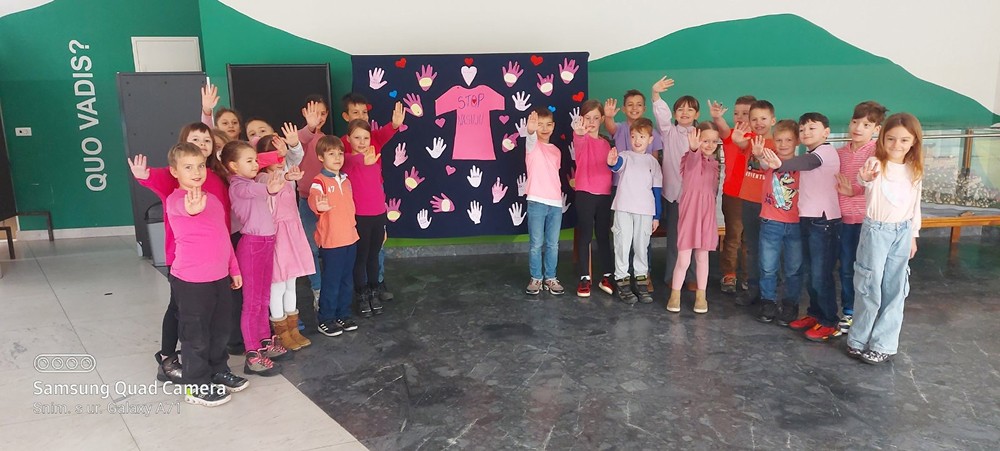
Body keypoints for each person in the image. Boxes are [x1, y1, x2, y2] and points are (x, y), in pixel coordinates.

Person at [127, 122, 231, 384]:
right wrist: (143, 176)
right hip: (186, 264)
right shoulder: (175, 188)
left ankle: (215, 368)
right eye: (195, 140)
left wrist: (232, 265)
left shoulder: (213, 178)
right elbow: (175, 201)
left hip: (216, 263)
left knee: (215, 323)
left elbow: (220, 227)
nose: (201, 145)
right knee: (184, 316)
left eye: (207, 141)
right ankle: (169, 360)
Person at [163, 142, 246, 407]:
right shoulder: (176, 200)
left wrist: (233, 269)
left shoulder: (213, 200)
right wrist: (193, 208)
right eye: (188, 167)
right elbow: (185, 209)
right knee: (195, 337)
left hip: (219, 278)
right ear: (174, 171)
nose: (196, 172)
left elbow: (223, 238)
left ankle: (218, 370)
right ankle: (196, 385)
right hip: (191, 283)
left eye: (200, 166)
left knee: (220, 330)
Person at [846, 113, 923, 364]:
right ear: (882, 138)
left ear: (913, 141)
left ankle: (884, 344)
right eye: (891, 138)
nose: (896, 145)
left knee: (896, 288)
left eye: (904, 140)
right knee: (868, 284)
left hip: (902, 232)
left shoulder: (914, 169)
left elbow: (915, 205)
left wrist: (913, 235)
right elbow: (863, 179)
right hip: (876, 231)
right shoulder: (875, 163)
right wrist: (864, 178)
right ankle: (858, 339)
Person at [760, 113, 842, 341]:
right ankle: (815, 314)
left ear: (826, 132)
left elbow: (807, 163)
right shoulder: (809, 153)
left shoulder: (824, 153)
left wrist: (780, 165)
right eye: (803, 129)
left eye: (812, 128)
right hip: (807, 220)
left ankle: (829, 321)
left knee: (820, 274)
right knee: (810, 273)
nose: (806, 133)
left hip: (824, 222)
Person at [221, 141, 289, 375]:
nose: (255, 164)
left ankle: (264, 341)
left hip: (266, 243)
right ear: (233, 166)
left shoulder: (254, 180)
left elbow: (264, 180)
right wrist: (270, 188)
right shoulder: (238, 186)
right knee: (251, 303)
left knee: (263, 298)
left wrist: (281, 172)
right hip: (252, 246)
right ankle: (252, 353)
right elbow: (255, 190)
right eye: (249, 161)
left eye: (255, 160)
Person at [339, 93, 404, 302]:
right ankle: (361, 289)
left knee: (376, 251)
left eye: (364, 112)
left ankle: (377, 284)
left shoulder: (373, 138)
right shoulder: (343, 144)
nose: (361, 116)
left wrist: (395, 125)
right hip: (356, 205)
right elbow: (343, 161)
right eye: (355, 112)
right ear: (346, 116)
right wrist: (361, 159)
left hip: (375, 201)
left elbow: (386, 132)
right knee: (361, 252)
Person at [254, 138, 315, 351]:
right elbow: (273, 182)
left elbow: (293, 161)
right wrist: (286, 176)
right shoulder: (261, 178)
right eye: (275, 154)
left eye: (282, 152)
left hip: (292, 234)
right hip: (276, 236)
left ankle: (293, 329)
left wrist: (288, 158)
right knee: (277, 286)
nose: (280, 158)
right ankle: (281, 332)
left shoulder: (287, 171)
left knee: (291, 284)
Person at [603, 90, 665, 295]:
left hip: (645, 211)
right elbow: (617, 165)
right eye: (634, 137)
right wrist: (612, 162)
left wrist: (656, 215)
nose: (637, 140)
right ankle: (622, 280)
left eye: (642, 137)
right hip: (623, 207)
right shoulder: (625, 155)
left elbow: (656, 190)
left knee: (641, 245)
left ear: (650, 139)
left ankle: (641, 280)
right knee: (622, 243)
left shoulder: (653, 163)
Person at [834, 101, 886, 335]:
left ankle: (869, 314)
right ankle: (849, 311)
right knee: (846, 268)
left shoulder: (878, 154)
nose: (858, 128)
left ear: (876, 129)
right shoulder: (840, 153)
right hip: (843, 221)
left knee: (868, 270)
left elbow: (878, 185)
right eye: (855, 122)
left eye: (866, 124)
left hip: (867, 222)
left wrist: (854, 190)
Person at [752, 120, 804, 325]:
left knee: (794, 268)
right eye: (779, 140)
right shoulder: (770, 160)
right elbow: (764, 164)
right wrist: (758, 155)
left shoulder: (802, 164)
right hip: (771, 222)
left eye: (788, 140)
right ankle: (768, 301)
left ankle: (790, 304)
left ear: (797, 141)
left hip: (796, 223)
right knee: (767, 266)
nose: (783, 145)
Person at [308, 136, 361, 337]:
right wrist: (319, 207)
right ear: (321, 157)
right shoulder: (319, 182)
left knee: (347, 280)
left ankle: (343, 314)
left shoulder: (346, 180)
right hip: (332, 242)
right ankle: (326, 318)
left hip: (350, 238)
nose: (337, 157)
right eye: (331, 154)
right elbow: (314, 200)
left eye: (340, 153)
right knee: (332, 281)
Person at [650, 76, 699, 291]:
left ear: (697, 114)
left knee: (694, 237)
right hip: (673, 195)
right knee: (674, 237)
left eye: (690, 109)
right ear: (674, 113)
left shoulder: (701, 134)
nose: (685, 112)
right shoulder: (668, 132)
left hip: (695, 195)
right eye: (680, 109)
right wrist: (655, 94)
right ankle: (672, 275)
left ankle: (693, 276)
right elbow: (661, 116)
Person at [730, 100, 778, 306]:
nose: (759, 123)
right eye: (754, 119)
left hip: (770, 205)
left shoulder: (777, 144)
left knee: (770, 250)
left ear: (772, 120)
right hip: (749, 201)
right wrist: (737, 139)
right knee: (751, 247)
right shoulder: (749, 142)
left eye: (763, 118)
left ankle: (769, 293)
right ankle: (753, 289)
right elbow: (741, 144)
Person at [712, 95, 756, 294]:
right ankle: (729, 273)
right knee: (733, 237)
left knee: (750, 239)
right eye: (736, 113)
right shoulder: (730, 135)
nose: (739, 117)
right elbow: (722, 128)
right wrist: (717, 117)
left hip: (754, 196)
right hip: (733, 196)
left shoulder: (758, 139)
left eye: (745, 113)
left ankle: (748, 275)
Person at [571, 100, 614, 296]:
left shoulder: (606, 143)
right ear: (582, 119)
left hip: (604, 195)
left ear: (602, 119)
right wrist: (580, 133)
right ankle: (584, 278)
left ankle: (607, 276)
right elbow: (579, 140)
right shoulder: (581, 138)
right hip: (585, 194)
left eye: (596, 118)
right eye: (588, 117)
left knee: (603, 236)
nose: (591, 122)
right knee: (586, 235)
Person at [522, 108, 565, 296]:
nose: (544, 128)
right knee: (536, 244)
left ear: (553, 126)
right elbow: (531, 137)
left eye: (548, 125)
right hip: (536, 202)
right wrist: (531, 130)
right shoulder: (532, 146)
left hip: (555, 203)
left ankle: (550, 277)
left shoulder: (556, 151)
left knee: (553, 244)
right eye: (540, 125)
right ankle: (536, 278)